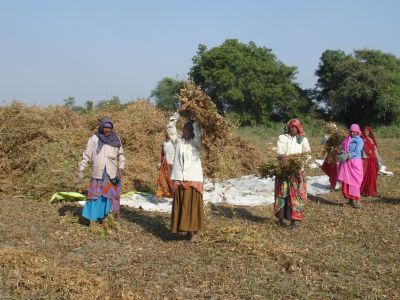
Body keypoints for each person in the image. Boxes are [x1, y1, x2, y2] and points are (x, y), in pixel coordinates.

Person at [76, 118, 125, 224]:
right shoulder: (94, 139)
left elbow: (121, 154)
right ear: (101, 127)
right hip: (98, 172)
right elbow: (87, 155)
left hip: (111, 173)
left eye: (109, 128)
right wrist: (81, 169)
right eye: (105, 127)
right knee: (95, 195)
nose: (107, 130)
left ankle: (105, 217)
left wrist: (121, 167)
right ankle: (92, 218)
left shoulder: (116, 139)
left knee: (108, 196)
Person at [167, 103, 204, 242]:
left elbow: (199, 132)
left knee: (193, 206)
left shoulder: (196, 143)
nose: (186, 131)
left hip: (194, 179)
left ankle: (193, 233)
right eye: (184, 129)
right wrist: (177, 112)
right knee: (181, 205)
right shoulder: (178, 142)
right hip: (180, 178)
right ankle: (183, 230)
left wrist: (194, 116)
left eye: (189, 129)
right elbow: (170, 128)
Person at [274, 119, 311, 229]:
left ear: (299, 128)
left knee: (295, 196)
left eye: (295, 127)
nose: (293, 129)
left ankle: (294, 221)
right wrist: (282, 157)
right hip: (284, 170)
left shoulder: (303, 140)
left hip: (297, 171)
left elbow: (307, 154)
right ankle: (280, 218)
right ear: (288, 127)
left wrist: (300, 163)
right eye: (291, 126)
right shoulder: (283, 138)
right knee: (282, 194)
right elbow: (279, 150)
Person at [337, 124, 364, 208]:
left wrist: (348, 155)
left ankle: (357, 201)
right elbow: (342, 147)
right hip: (346, 163)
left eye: (354, 132)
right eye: (351, 131)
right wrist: (341, 152)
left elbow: (357, 152)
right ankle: (350, 200)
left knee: (355, 182)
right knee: (347, 181)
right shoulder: (346, 139)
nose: (352, 133)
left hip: (355, 162)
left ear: (357, 131)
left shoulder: (359, 141)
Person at [360, 126, 379, 196]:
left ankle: (371, 191)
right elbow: (360, 150)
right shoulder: (361, 139)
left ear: (369, 132)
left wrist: (378, 159)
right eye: (364, 130)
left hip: (372, 160)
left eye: (367, 131)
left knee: (372, 175)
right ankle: (363, 190)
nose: (366, 132)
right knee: (364, 175)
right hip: (365, 159)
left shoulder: (371, 139)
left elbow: (375, 150)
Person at [155, 133, 175, 198]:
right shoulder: (164, 141)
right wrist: (160, 162)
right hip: (165, 163)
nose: (168, 134)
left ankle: (173, 194)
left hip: (172, 163)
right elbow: (162, 153)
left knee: (171, 180)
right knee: (162, 179)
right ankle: (161, 194)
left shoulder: (174, 142)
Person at [320, 123, 338, 190]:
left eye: (332, 128)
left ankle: (333, 185)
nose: (330, 130)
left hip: (334, 155)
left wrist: (333, 154)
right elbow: (321, 143)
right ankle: (334, 178)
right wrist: (326, 137)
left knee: (333, 170)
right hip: (329, 154)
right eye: (329, 128)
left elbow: (338, 146)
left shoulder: (336, 136)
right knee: (324, 167)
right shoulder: (327, 135)